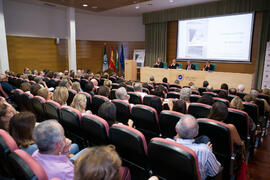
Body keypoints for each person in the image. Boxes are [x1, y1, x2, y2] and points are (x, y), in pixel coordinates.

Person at [172, 115, 221, 180]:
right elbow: (215, 171)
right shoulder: (204, 150)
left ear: (176, 128)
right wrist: (209, 152)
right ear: (196, 133)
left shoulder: (165, 142)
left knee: (204, 138)